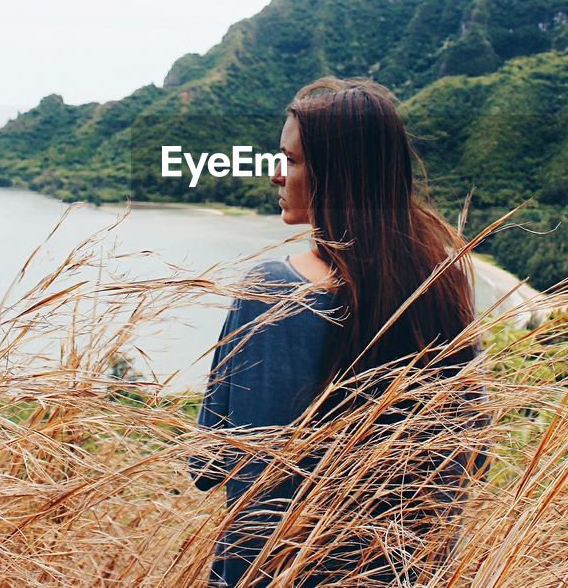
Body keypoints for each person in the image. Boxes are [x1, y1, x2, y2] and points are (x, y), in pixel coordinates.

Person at [188, 77, 492, 587]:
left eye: (292, 160)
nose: (275, 175)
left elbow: (209, 462)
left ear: (337, 175)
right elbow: (474, 456)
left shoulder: (272, 289)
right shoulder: (441, 285)